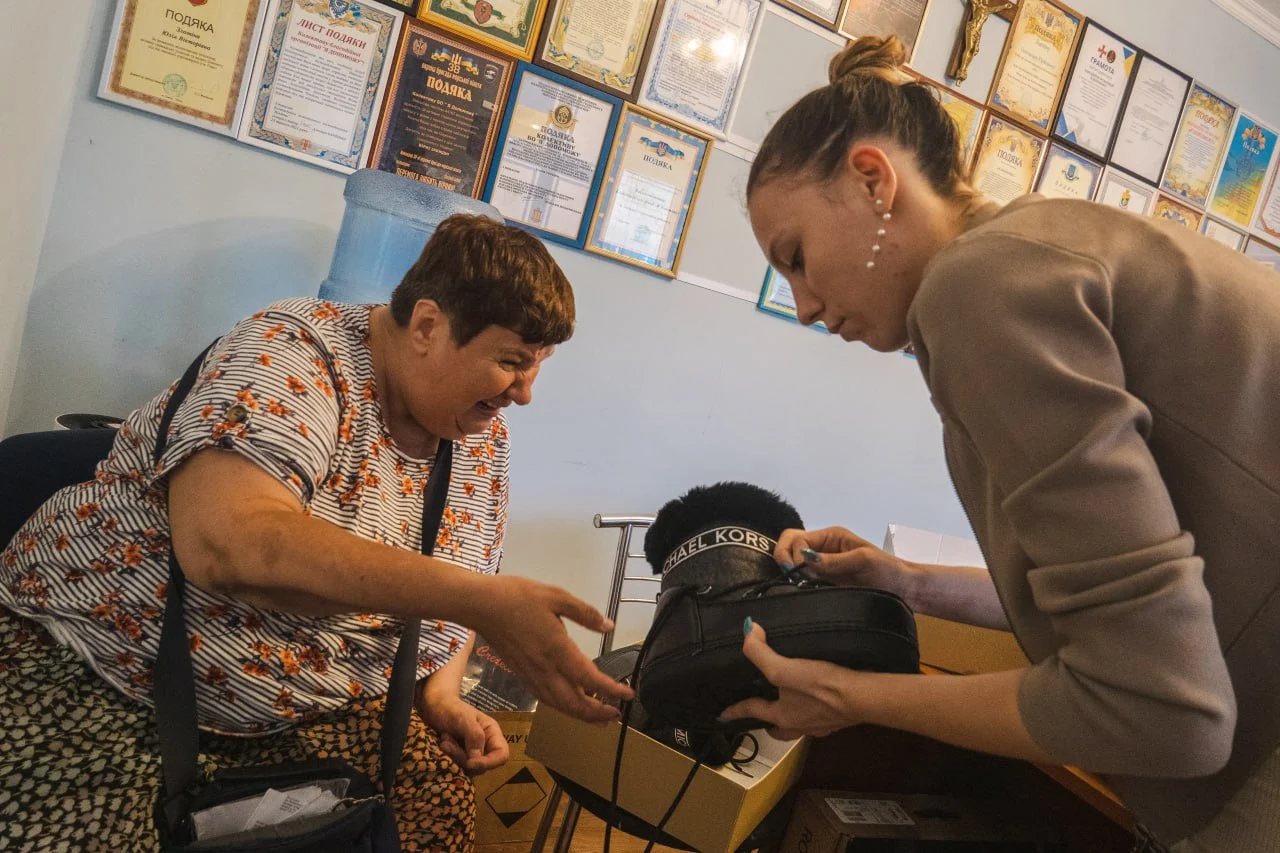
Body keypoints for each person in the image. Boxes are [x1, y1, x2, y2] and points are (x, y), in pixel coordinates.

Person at [719, 35, 1280, 853]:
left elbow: (1160, 707)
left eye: (797, 258)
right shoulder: (1035, 246)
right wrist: (908, 582)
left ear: (874, 179)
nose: (803, 304)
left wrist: (850, 696)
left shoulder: (976, 287)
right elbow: (1106, 598)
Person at [0, 213, 631, 851]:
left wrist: (440, 694)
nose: (524, 394)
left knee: (436, 809)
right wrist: (480, 601)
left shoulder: (477, 436)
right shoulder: (289, 354)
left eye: (539, 366)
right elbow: (228, 544)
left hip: (313, 711)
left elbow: (459, 581)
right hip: (109, 675)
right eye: (511, 362)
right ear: (428, 326)